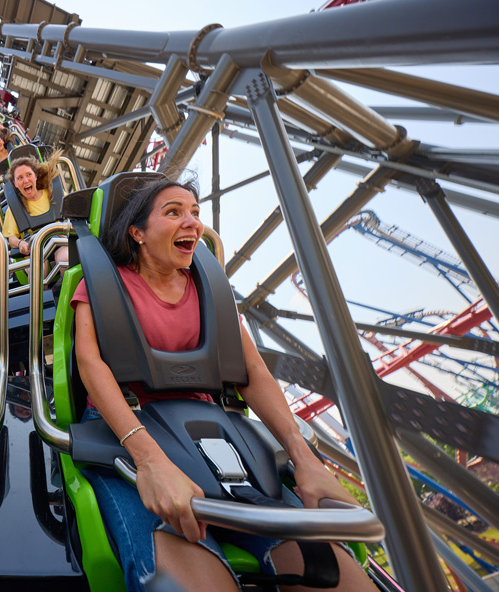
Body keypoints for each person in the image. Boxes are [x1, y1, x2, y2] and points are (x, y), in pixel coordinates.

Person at [71, 178, 374, 592]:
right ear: (137, 233)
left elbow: (251, 372)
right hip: (128, 428)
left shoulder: (210, 291)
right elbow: (91, 364)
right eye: (174, 211)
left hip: (212, 433)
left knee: (331, 575)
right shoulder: (104, 286)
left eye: (195, 212)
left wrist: (305, 459)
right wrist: (151, 462)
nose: (192, 222)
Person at [1, 153, 68, 265]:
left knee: (65, 258)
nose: (26, 180)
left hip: (59, 242)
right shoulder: (14, 209)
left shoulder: (56, 195)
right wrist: (20, 243)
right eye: (20, 178)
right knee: (38, 266)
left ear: (35, 176)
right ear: (15, 184)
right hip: (33, 250)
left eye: (29, 175)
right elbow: (11, 238)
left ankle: (62, 281)